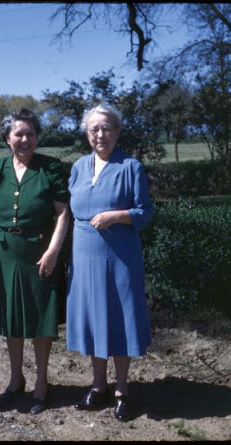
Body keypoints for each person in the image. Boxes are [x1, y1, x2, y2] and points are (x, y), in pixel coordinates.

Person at [0, 108, 70, 415]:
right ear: (7, 138)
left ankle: (42, 382)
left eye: (30, 133)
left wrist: (53, 251)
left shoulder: (51, 167)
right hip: (3, 254)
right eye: (18, 134)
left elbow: (62, 213)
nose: (25, 139)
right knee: (12, 318)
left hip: (39, 253)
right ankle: (15, 379)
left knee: (41, 318)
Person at [66, 103, 153, 422]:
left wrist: (117, 216)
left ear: (117, 131)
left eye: (106, 128)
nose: (100, 134)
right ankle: (98, 385)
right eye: (94, 129)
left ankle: (122, 390)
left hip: (119, 257)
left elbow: (145, 212)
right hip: (84, 255)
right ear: (86, 134)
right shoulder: (79, 166)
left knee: (119, 317)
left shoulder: (131, 167)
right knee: (93, 318)